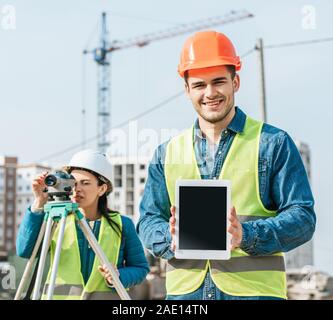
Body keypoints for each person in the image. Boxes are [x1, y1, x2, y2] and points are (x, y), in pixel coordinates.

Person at [137, 31, 316, 300]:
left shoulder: (272, 143)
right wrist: (169, 239)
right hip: (186, 296)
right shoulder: (167, 153)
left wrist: (246, 235)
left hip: (253, 294)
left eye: (219, 82)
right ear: (187, 90)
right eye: (199, 85)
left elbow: (302, 218)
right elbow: (149, 220)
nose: (210, 93)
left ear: (236, 82)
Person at [16, 149, 149, 300]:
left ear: (102, 188)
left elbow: (140, 268)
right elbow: (25, 251)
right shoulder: (56, 220)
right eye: (73, 183)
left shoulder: (122, 224)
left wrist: (119, 275)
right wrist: (39, 202)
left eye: (85, 183)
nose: (76, 189)